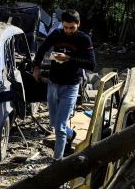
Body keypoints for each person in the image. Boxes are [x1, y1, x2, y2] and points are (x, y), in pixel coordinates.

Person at [33, 10, 95, 160]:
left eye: (72, 28)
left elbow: (91, 64)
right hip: (53, 84)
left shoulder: (84, 39)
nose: (68, 31)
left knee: (59, 127)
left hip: (71, 86)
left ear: (78, 25)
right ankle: (71, 134)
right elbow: (42, 49)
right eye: (66, 27)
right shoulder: (57, 34)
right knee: (54, 123)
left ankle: (57, 161)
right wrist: (36, 67)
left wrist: (69, 58)